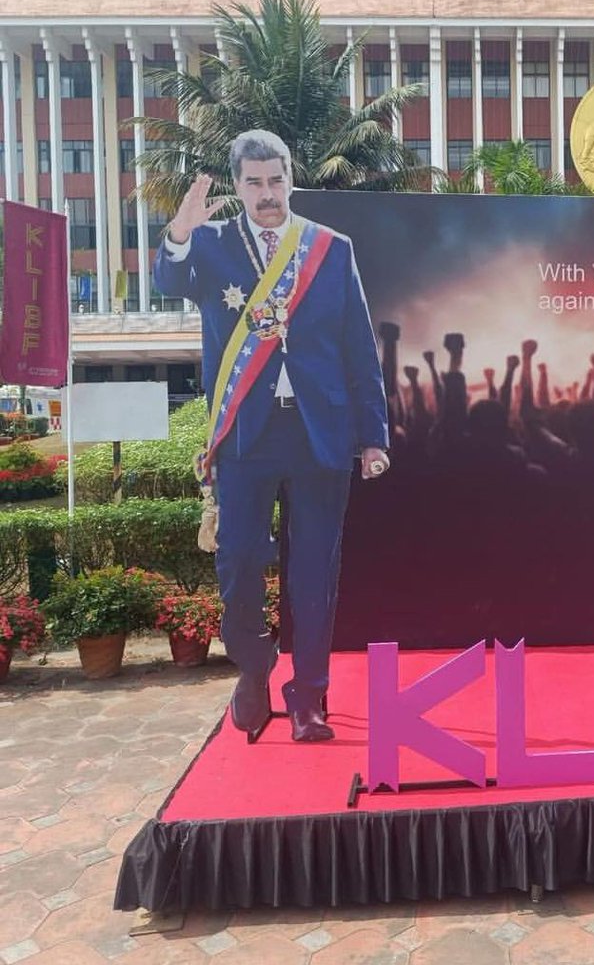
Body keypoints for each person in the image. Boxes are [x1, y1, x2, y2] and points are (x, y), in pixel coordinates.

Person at [154, 129, 389, 742]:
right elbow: (168, 282)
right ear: (237, 186)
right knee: (237, 563)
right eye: (254, 183)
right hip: (243, 436)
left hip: (320, 435)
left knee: (315, 572)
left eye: (276, 180)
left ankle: (309, 696)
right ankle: (253, 669)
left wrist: (373, 436)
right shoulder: (210, 245)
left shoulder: (329, 249)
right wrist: (177, 233)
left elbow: (359, 349)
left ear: (291, 176)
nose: (267, 193)